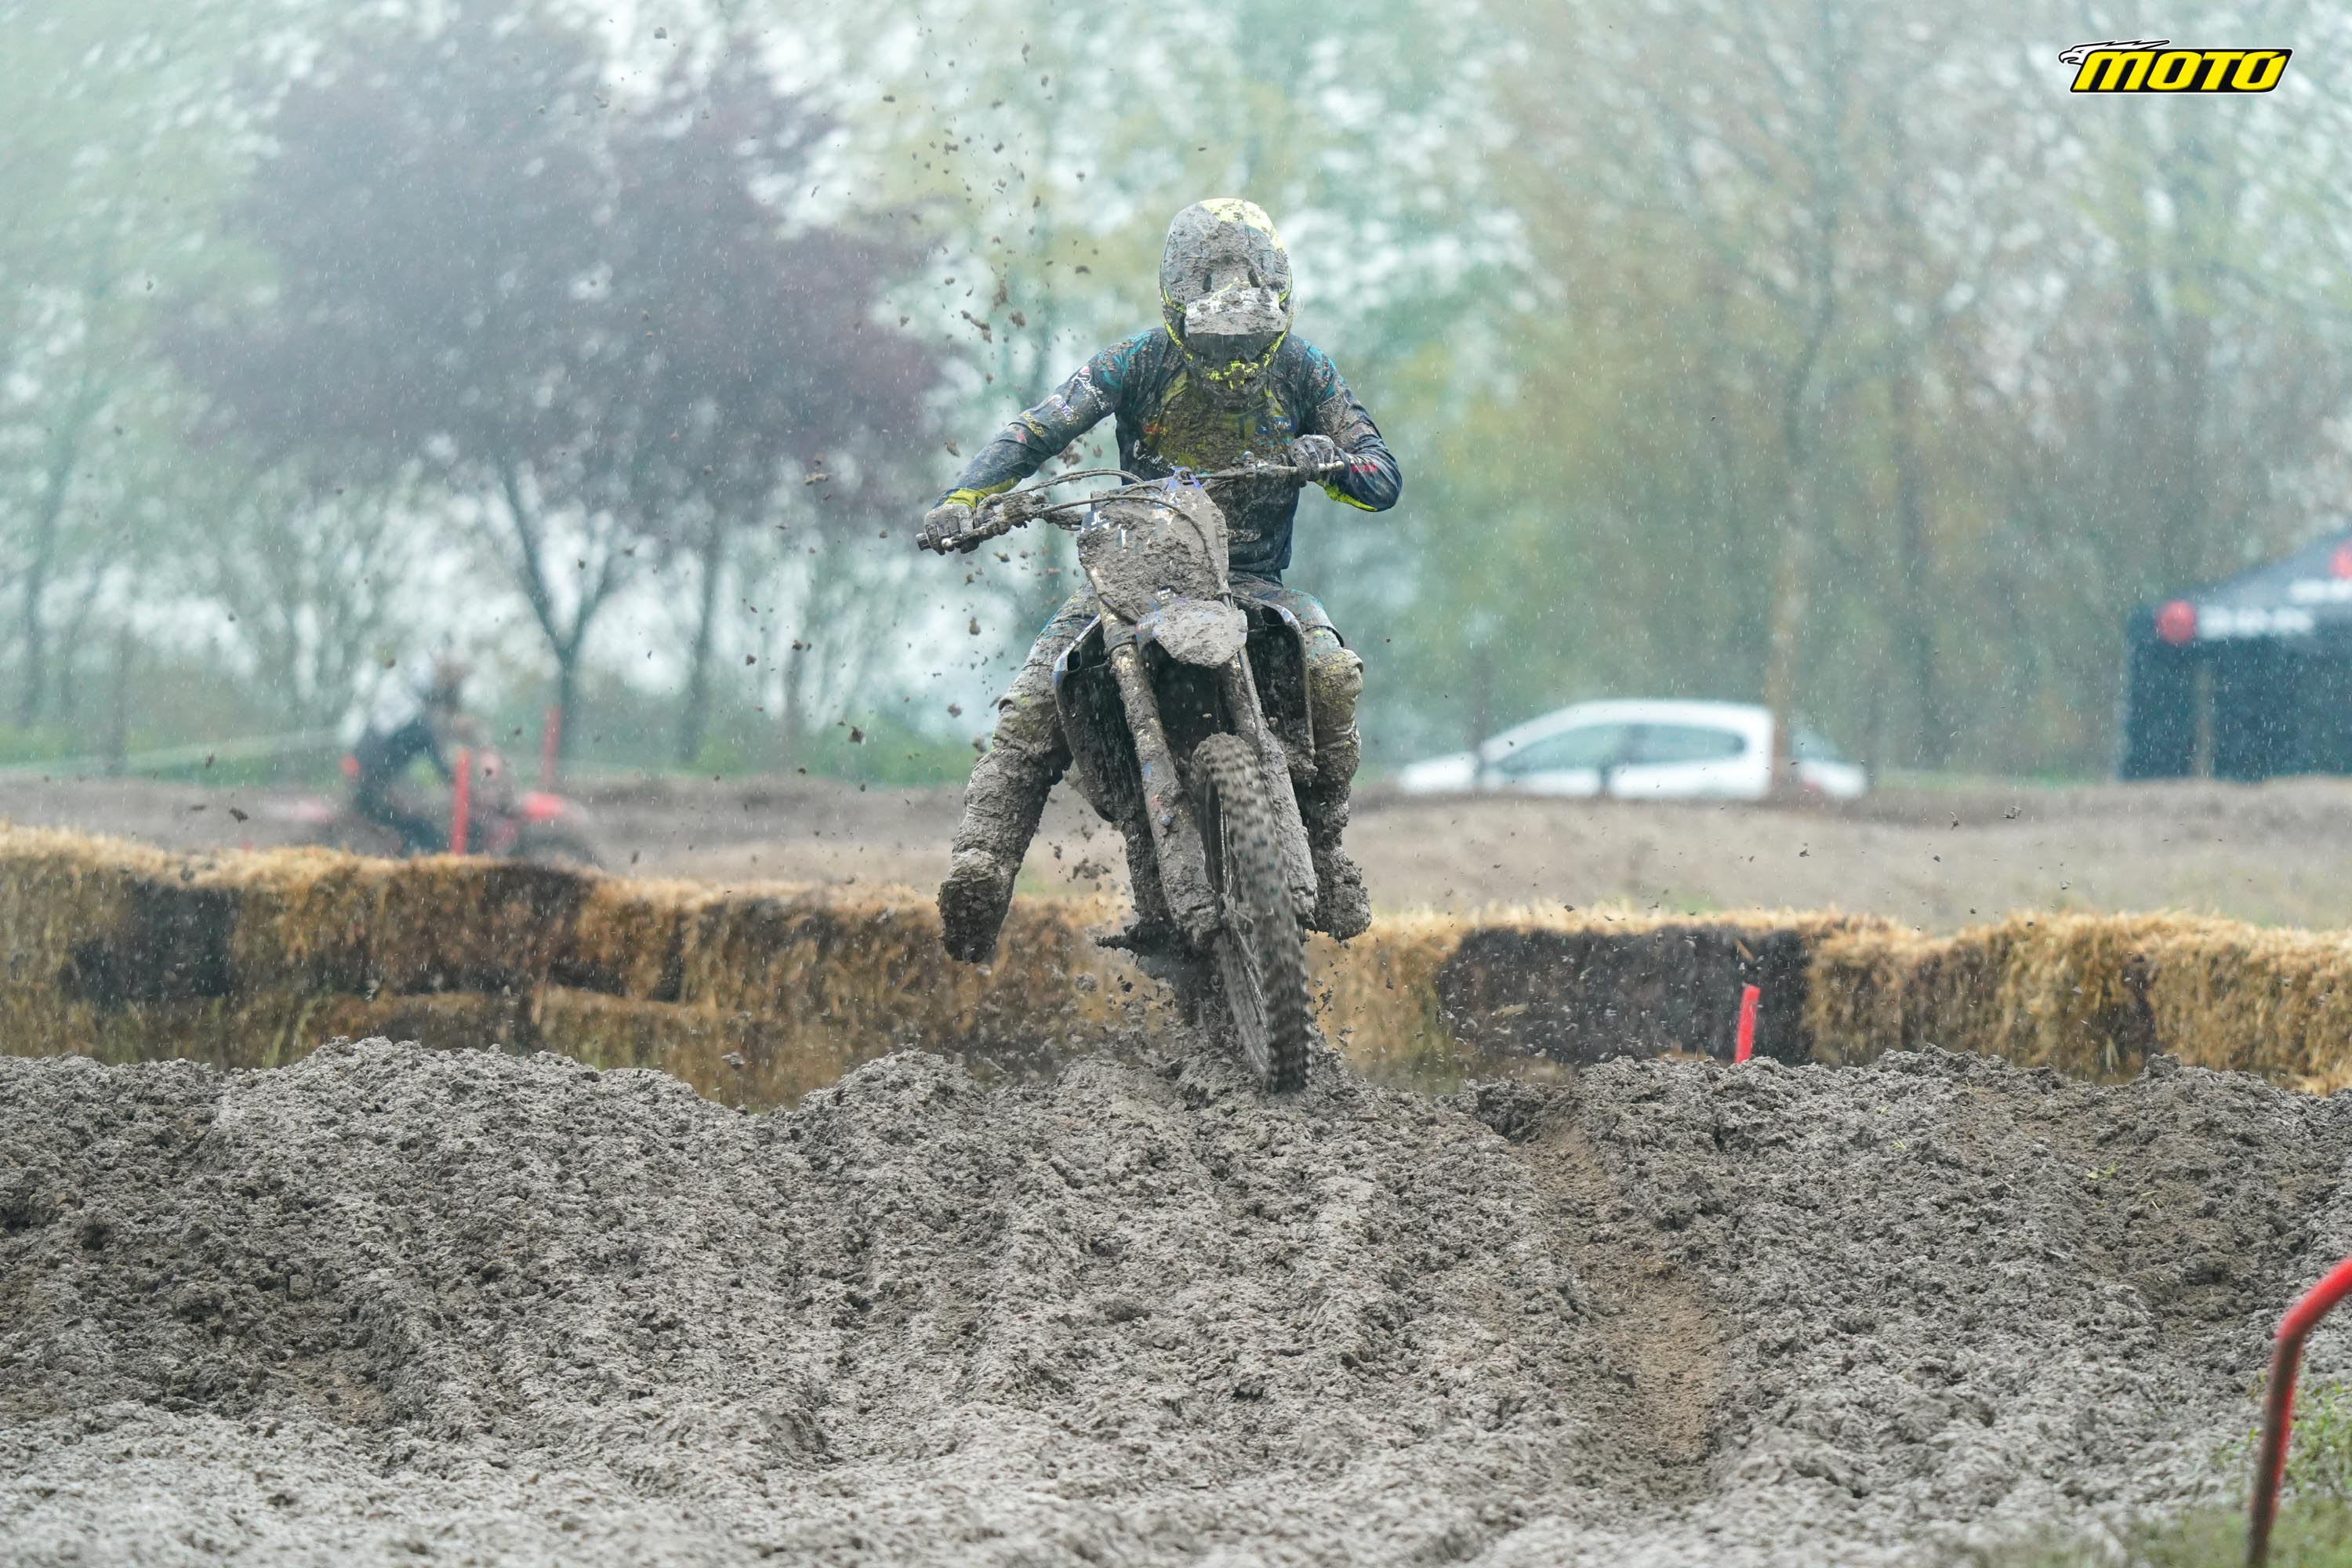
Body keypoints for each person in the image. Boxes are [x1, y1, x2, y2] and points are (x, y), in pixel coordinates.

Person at [920, 198, 1402, 963]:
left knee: (1333, 674)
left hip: (1253, 581)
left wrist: (1330, 461)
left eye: (1250, 322)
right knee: (1034, 704)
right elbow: (1040, 427)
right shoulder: (1137, 362)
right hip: (1133, 578)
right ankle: (982, 868)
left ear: (1277, 296)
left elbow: (1381, 476)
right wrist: (965, 499)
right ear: (1180, 299)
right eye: (1216, 312)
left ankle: (1328, 844)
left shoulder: (1304, 368)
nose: (1234, 360)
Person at [351, 657, 468, 855]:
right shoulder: (419, 719)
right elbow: (436, 758)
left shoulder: (403, 701)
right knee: (423, 833)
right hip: (374, 782)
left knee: (412, 823)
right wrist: (456, 780)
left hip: (368, 777)